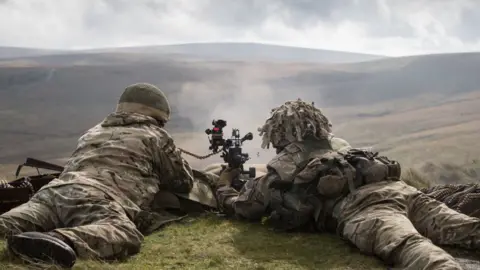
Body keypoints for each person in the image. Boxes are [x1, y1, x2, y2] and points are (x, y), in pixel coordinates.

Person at [215, 99, 480, 270]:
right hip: (402, 191)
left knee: (414, 250)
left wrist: (224, 185)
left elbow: (246, 207)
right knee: (467, 229)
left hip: (367, 211)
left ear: (278, 133)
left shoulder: (283, 164)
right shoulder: (340, 145)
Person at [0, 83, 194, 268]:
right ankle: (58, 240)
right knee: (124, 232)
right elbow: (182, 182)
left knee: (10, 223)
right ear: (158, 117)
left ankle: (15, 231)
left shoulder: (93, 131)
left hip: (53, 192)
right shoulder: (156, 137)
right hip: (97, 198)